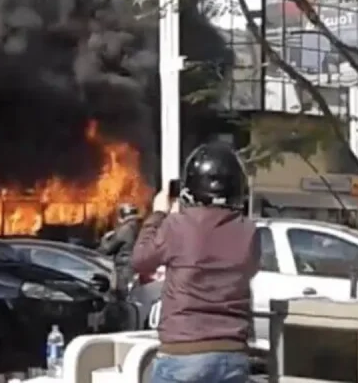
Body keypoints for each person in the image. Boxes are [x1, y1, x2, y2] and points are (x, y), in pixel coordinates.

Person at [132, 142, 260, 383]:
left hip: (183, 353)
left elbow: (140, 260)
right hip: (232, 355)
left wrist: (158, 214)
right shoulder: (249, 231)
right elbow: (248, 269)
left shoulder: (177, 225)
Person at [97, 203, 141, 296]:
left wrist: (105, 238)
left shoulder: (125, 229)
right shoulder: (141, 227)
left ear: (122, 216)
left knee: (121, 296)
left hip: (124, 270)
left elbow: (107, 249)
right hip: (137, 267)